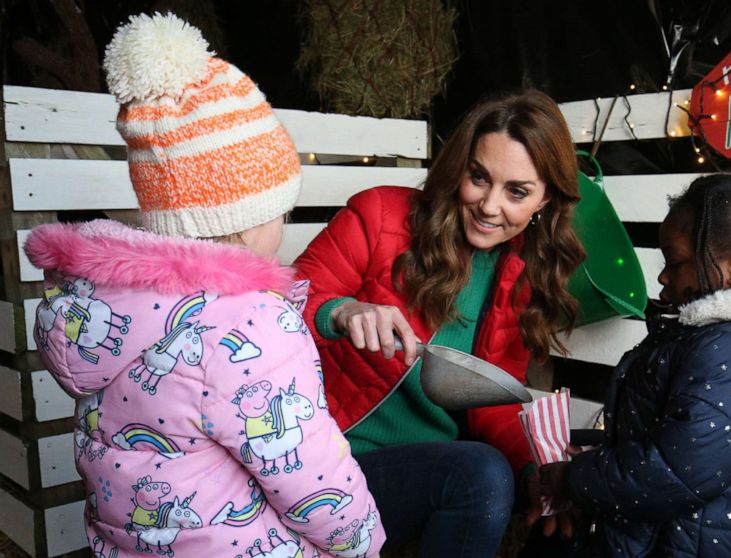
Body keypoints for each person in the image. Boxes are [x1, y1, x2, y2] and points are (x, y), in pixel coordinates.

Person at [25, 13, 383, 558]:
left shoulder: (99, 306)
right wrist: (362, 543)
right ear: (250, 219)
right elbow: (310, 476)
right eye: (279, 211)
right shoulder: (249, 324)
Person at [294, 89, 586, 556]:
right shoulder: (380, 215)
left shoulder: (523, 276)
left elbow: (493, 396)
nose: (490, 206)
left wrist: (538, 471)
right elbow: (280, 303)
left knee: (512, 485)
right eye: (478, 178)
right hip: (322, 458)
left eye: (516, 192)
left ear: (546, 199)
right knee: (483, 475)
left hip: (418, 473)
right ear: (458, 169)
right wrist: (341, 312)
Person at [539, 172, 731, 557]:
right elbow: (663, 436)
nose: (664, 275)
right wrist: (595, 452)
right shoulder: (709, 340)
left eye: (676, 260)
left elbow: (674, 472)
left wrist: (573, 479)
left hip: (704, 543)